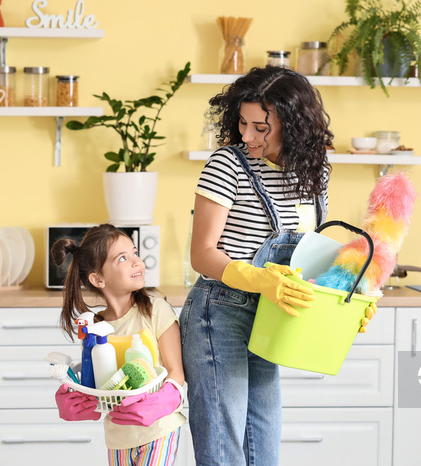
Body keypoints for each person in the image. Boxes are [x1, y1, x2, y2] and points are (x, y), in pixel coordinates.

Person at [179, 65, 334, 466]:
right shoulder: (226, 165)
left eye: (261, 127)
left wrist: (342, 300)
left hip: (270, 317)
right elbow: (202, 253)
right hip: (220, 315)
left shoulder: (314, 173)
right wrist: (260, 278)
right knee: (224, 452)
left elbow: (309, 255)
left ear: (294, 124)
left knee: (262, 450)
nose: (247, 136)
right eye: (243, 123)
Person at [51, 224, 185, 466]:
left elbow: (176, 372)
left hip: (159, 429)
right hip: (118, 437)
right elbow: (97, 385)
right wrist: (76, 398)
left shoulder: (156, 311)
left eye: (135, 253)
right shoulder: (94, 328)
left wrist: (163, 400)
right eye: (122, 258)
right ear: (98, 279)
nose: (136, 262)